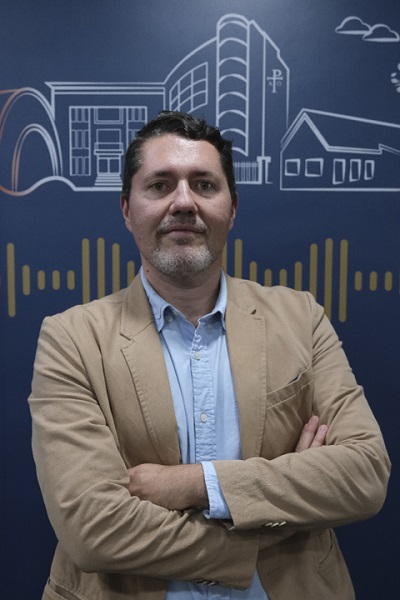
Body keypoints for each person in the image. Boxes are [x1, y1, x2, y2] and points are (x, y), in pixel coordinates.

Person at [29, 110, 390, 600]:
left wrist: (196, 484)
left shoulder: (301, 318)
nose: (183, 202)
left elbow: (365, 473)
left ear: (232, 208)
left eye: (204, 184)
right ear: (127, 209)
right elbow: (92, 530)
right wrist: (280, 517)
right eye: (160, 185)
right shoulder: (70, 339)